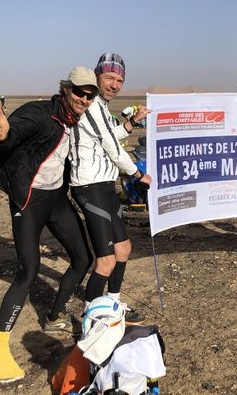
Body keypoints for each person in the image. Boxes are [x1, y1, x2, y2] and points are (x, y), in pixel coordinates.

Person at [0, 67, 98, 381]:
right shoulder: (42, 113)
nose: (84, 98)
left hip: (56, 199)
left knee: (83, 259)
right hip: (29, 200)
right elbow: (14, 131)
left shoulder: (76, 119)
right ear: (67, 88)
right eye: (79, 91)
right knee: (28, 271)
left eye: (89, 94)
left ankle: (54, 315)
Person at [68, 53, 151, 324]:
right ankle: (91, 319)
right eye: (110, 78)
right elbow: (113, 149)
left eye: (120, 80)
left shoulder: (102, 106)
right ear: (97, 76)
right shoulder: (92, 105)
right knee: (105, 260)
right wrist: (139, 173)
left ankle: (113, 303)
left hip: (104, 184)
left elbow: (109, 136)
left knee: (123, 249)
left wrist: (131, 123)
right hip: (88, 186)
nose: (115, 85)